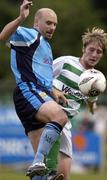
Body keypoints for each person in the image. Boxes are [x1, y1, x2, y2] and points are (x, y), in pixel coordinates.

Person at [0, 0, 68, 179]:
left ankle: (41, 168)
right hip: (28, 91)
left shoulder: (45, 44)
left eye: (54, 24)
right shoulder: (31, 35)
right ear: (37, 23)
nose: (52, 27)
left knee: (40, 171)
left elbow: (40, 75)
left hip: (34, 93)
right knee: (60, 117)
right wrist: (20, 18)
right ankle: (39, 160)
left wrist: (54, 91)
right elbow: (3, 36)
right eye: (48, 23)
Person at [42, 27, 107, 180]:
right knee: (48, 169)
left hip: (65, 122)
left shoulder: (96, 80)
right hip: (47, 111)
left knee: (64, 175)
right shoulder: (66, 62)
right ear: (83, 48)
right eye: (91, 49)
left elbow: (91, 102)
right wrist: (53, 90)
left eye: (99, 52)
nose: (94, 54)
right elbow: (41, 77)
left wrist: (93, 109)